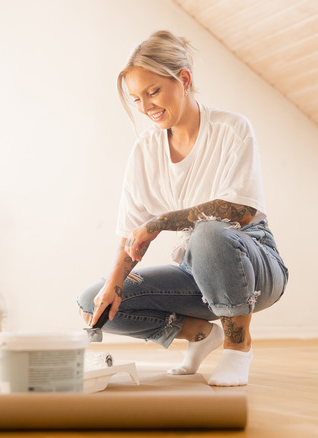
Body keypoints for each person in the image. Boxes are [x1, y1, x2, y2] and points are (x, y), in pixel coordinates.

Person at [77, 30, 288, 387]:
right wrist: (113, 284)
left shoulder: (231, 129)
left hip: (254, 262)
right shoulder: (145, 150)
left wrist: (161, 222)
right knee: (92, 304)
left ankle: (238, 348)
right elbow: (132, 232)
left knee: (208, 232)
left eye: (153, 91)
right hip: (196, 270)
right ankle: (202, 335)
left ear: (184, 80)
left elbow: (240, 211)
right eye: (136, 99)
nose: (145, 107)